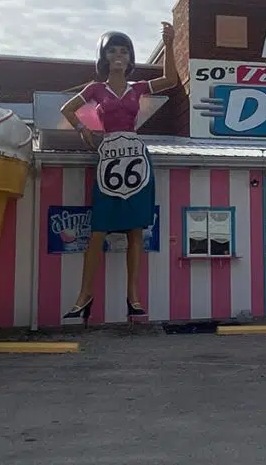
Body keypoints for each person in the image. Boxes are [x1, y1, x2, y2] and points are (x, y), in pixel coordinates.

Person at [60, 22, 178, 322]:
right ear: (103, 56)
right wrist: (82, 129)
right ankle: (84, 296)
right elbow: (67, 109)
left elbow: (171, 80)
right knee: (98, 229)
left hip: (136, 158)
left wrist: (170, 43)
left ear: (130, 57)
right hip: (109, 158)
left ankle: (133, 297)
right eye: (112, 50)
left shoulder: (138, 88)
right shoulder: (95, 89)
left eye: (124, 51)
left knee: (136, 229)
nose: (118, 55)